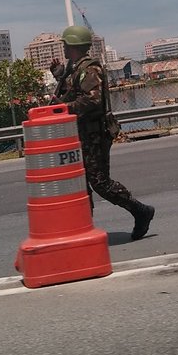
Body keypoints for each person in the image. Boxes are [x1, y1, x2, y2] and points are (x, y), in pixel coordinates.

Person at [50, 25, 155, 240]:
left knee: (100, 182)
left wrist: (64, 108)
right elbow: (73, 91)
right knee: (79, 183)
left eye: (66, 45)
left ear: (74, 46)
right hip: (81, 134)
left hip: (95, 134)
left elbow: (93, 100)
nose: (64, 49)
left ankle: (140, 211)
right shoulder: (75, 68)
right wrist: (59, 76)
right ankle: (83, 226)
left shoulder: (89, 68)